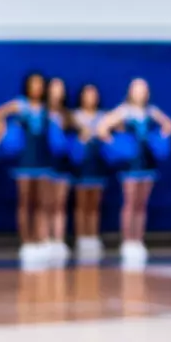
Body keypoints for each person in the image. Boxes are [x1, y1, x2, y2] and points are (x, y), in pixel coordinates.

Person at [94, 78, 171, 269]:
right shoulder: (124, 111)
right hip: (130, 164)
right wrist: (116, 145)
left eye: (143, 90)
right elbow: (101, 127)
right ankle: (127, 240)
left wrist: (159, 139)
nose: (140, 93)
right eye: (137, 90)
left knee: (141, 204)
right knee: (130, 202)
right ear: (130, 92)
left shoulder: (151, 111)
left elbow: (169, 125)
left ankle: (138, 240)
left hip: (147, 162)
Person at [0, 73, 57, 267]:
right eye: (33, 84)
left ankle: (41, 239)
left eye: (40, 84)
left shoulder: (47, 109)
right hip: (24, 161)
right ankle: (27, 241)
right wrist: (1, 131)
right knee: (25, 202)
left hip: (43, 160)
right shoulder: (19, 105)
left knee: (42, 202)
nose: (36, 87)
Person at [71, 83, 108, 264]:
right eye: (87, 95)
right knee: (81, 204)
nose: (91, 98)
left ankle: (92, 237)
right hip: (81, 166)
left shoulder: (103, 117)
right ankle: (81, 237)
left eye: (94, 95)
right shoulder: (74, 116)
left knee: (94, 205)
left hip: (97, 165)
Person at [42, 77, 74, 265]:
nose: (57, 92)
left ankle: (58, 240)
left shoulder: (67, 115)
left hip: (63, 164)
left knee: (59, 204)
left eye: (60, 88)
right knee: (46, 203)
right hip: (46, 163)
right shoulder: (42, 113)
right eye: (54, 88)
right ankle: (44, 238)